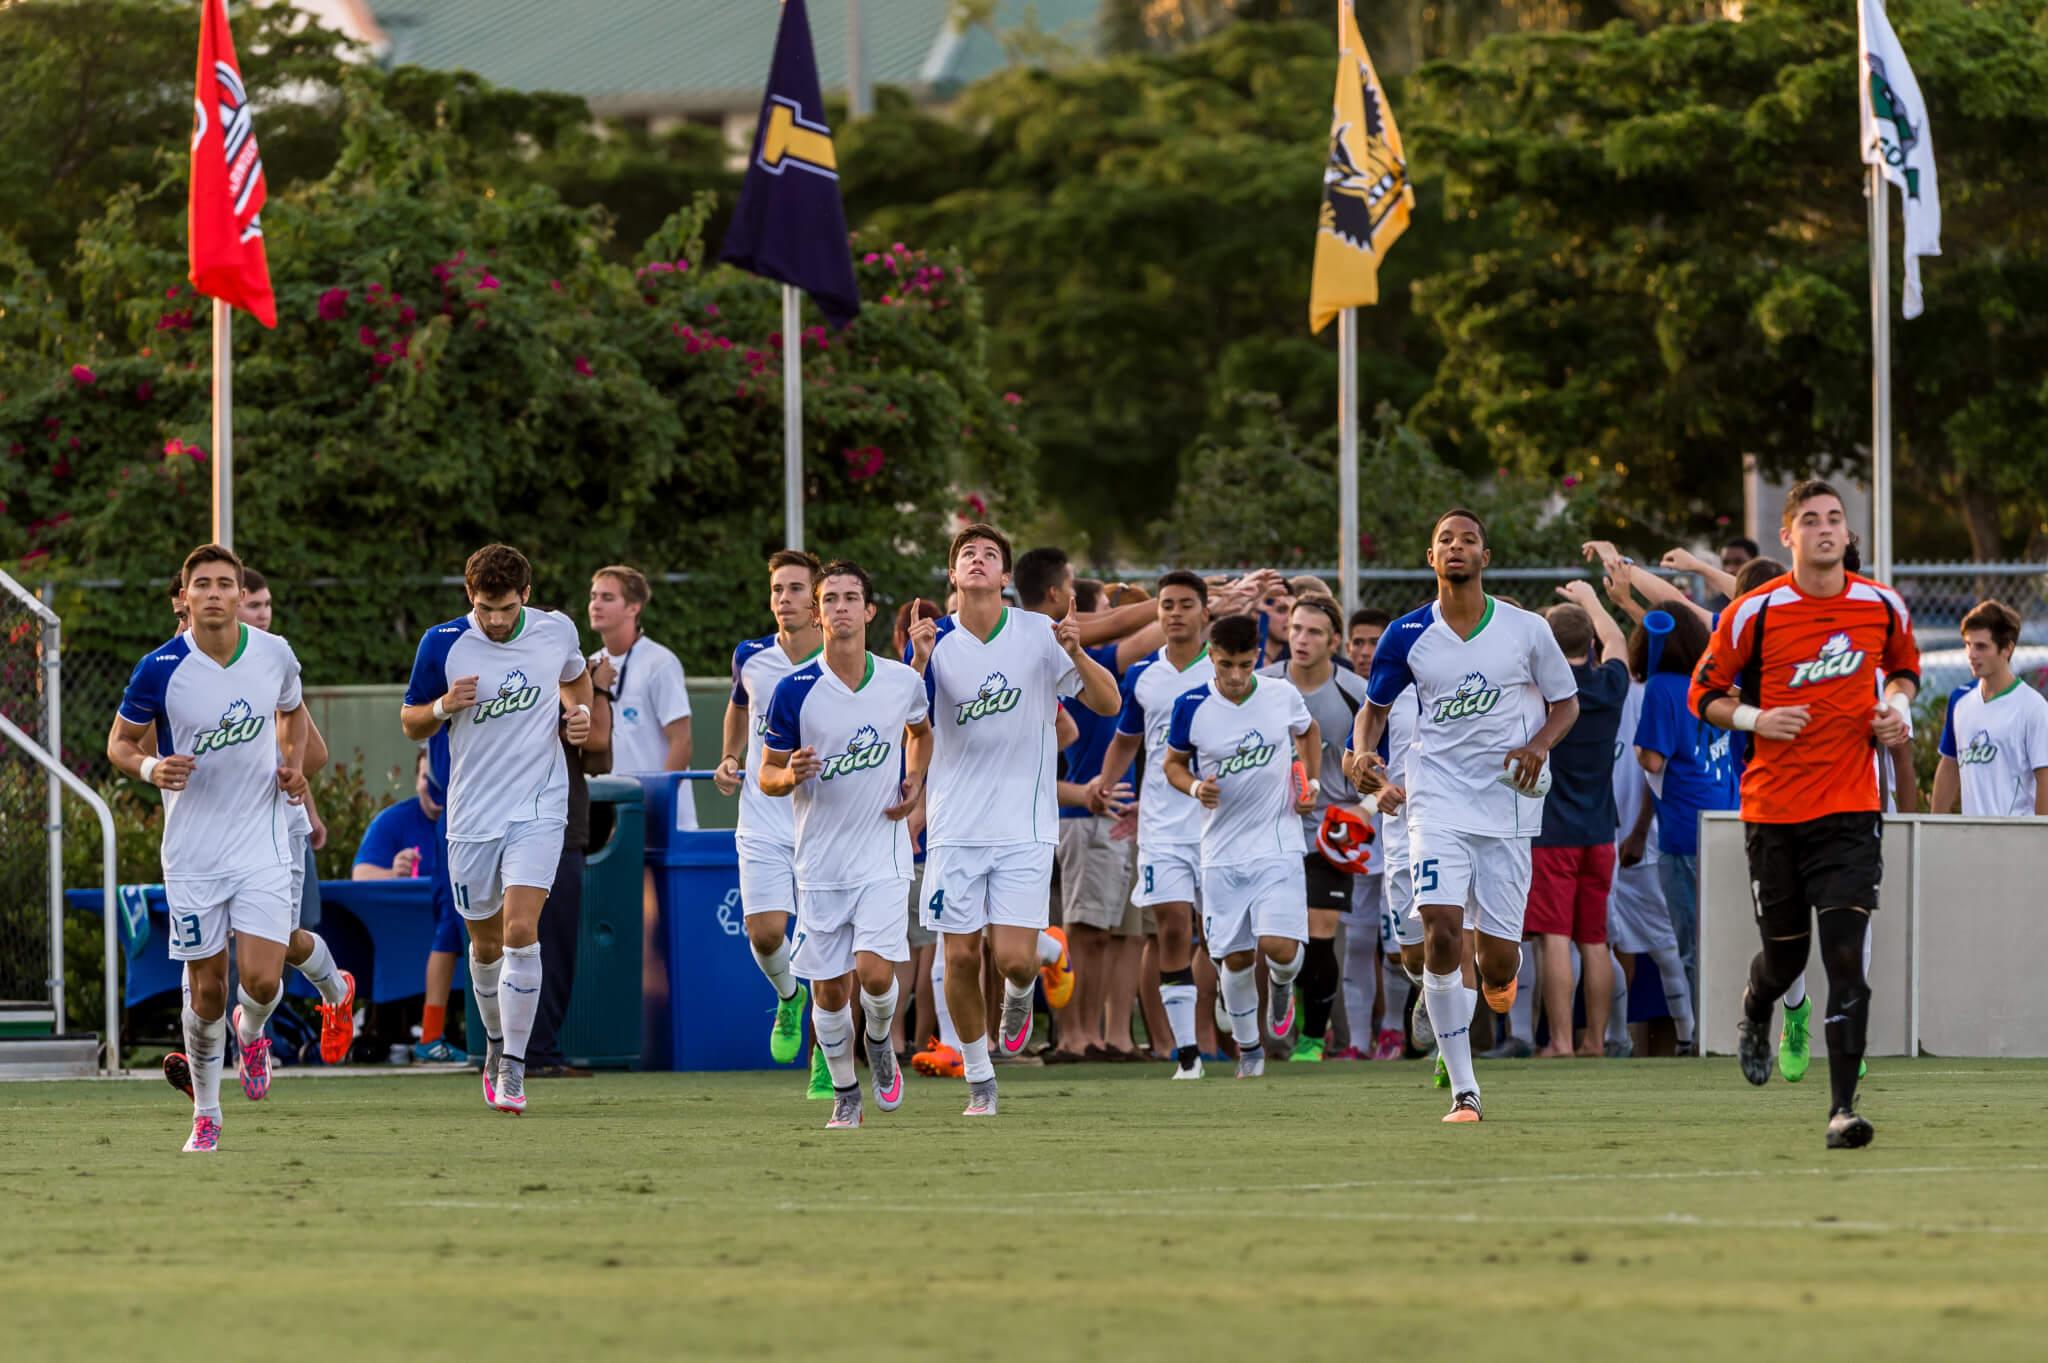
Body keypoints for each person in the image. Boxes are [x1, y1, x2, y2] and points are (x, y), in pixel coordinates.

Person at [1690, 479, 1919, 1149]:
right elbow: (1705, 694)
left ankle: (1842, 1109)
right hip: (1774, 810)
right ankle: (1756, 1008)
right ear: (1787, 536)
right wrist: (1760, 716)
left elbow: (1904, 671)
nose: (1825, 529)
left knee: (1846, 958)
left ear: (1848, 535)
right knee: (1784, 959)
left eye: (1835, 519)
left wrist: (1896, 712)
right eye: (1810, 520)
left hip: (1850, 809)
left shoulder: (1882, 604)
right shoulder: (1753, 612)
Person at [1347, 509, 1579, 1124]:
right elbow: (1373, 709)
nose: (1456, 547)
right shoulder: (1405, 634)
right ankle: (1465, 1091)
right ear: (1431, 558)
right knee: (1441, 930)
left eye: (1468, 539)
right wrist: (1363, 751)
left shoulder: (1526, 630)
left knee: (1496, 961)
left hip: (1506, 806)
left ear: (1485, 557)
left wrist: (1538, 746)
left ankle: (1498, 979)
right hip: (1436, 802)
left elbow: (1566, 703)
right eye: (1445, 540)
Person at [905, 523, 1119, 1117]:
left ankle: (1023, 992)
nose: (977, 560)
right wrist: (917, 661)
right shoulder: (933, 641)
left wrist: (1076, 650)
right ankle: (980, 1078)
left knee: (1015, 959)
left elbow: (1108, 703)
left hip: (1026, 827)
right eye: (966, 554)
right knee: (961, 958)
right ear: (952, 575)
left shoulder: (1040, 634)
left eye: (989, 554)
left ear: (1005, 577)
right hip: (954, 830)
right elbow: (911, 725)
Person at [108, 544, 312, 1152]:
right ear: (184, 597)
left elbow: (293, 715)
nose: (217, 593)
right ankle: (207, 1113)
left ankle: (252, 1034)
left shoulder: (273, 654)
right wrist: (151, 768)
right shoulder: (159, 667)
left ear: (237, 593)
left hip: (262, 841)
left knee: (263, 979)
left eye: (227, 583)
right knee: (206, 990)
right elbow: (120, 743)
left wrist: (294, 767)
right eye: (204, 584)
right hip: (194, 853)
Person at [401, 543, 593, 1115]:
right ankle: (494, 1045)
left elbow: (577, 682)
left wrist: (578, 716)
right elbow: (410, 722)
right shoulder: (441, 643)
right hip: (471, 818)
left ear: (525, 597)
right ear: (470, 598)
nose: (497, 620)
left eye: (507, 608)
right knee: (483, 947)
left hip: (539, 806)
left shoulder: (556, 630)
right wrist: (440, 707)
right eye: (486, 608)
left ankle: (515, 1067)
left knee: (519, 930)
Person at [760, 559, 933, 1128]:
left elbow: (920, 734)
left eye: (850, 597)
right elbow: (767, 775)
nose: (840, 607)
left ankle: (880, 1042)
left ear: (869, 609)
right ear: (818, 612)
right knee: (830, 993)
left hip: (882, 853)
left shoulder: (901, 681)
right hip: (819, 862)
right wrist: (793, 775)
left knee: (877, 976)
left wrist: (913, 783)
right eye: (829, 598)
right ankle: (844, 1092)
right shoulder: (795, 691)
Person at [1017, 546, 1157, 1058]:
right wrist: (1195, 600)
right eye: (1077, 592)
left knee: (1115, 935)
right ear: (1057, 597)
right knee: (1081, 933)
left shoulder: (1080, 660)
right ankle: (1073, 1035)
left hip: (1109, 813)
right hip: (1083, 816)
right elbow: (1137, 626)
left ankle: (1102, 1034)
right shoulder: (1083, 654)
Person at [1165, 612, 1320, 1078]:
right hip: (1220, 853)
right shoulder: (1190, 704)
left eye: (1245, 665)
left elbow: (1308, 731)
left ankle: (1281, 983)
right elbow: (1173, 764)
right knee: (1232, 957)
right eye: (1226, 665)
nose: (1235, 676)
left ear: (1259, 659)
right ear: (1211, 657)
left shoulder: (1281, 695)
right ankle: (1249, 1048)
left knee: (1279, 947)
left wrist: (1308, 781)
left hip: (1277, 842)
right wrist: (1195, 788)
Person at [1095, 571, 1218, 1078]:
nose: (1174, 613)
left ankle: (1240, 1028)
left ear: (1205, 612)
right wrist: (1106, 786)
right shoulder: (1143, 674)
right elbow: (1126, 739)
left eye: (1186, 604)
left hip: (1221, 826)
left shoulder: (1227, 672)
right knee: (1171, 929)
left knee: (1225, 940)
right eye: (1167, 604)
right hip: (1165, 827)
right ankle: (1186, 1053)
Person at [711, 550, 827, 1085]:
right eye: (778, 589)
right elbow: (738, 706)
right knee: (764, 935)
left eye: (796, 589)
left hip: (827, 823)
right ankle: (788, 997)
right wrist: (731, 756)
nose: (785, 599)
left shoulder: (842, 660)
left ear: (818, 599)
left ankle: (830, 1056)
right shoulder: (750, 656)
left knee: (829, 949)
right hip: (761, 819)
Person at [238, 567, 355, 1065]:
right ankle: (225, 1056)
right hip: (211, 833)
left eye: (266, 605)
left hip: (273, 828)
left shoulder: (274, 663)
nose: (262, 614)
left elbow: (310, 755)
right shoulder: (184, 665)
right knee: (211, 952)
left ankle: (332, 992)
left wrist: (302, 799)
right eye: (253, 604)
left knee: (278, 943)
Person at [1257, 596, 1368, 1061]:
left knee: (1320, 933)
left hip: (1331, 831)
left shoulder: (1357, 693)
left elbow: (1382, 762)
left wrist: (1367, 806)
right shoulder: (1262, 685)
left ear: (1334, 641)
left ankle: (1312, 1039)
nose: (1301, 640)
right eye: (1296, 629)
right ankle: (1269, 1019)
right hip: (1269, 830)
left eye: (1314, 633)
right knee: (1268, 938)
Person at [1525, 589, 1630, 1058]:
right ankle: (1596, 1040)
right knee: (1595, 940)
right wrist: (1592, 599)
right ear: (1589, 642)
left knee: (1554, 939)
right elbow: (1618, 643)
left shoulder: (1541, 692)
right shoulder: (1610, 685)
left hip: (1553, 833)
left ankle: (1562, 1041)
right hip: (1600, 831)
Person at [1633, 607, 1736, 1013]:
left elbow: (1654, 761)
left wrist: (1639, 748)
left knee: (1695, 944)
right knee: (1728, 937)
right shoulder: (1714, 683)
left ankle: (1710, 1036)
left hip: (1684, 829)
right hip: (1730, 818)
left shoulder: (1661, 687)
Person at [526, 642, 613, 1079]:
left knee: (546, 944)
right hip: (547, 827)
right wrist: (594, 691)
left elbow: (597, 753)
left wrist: (594, 693)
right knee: (540, 945)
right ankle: (534, 1052)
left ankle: (527, 1051)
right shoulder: (541, 690)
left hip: (559, 827)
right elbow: (594, 737)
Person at [1607, 631, 1695, 1057]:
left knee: (1663, 944)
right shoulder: (1578, 691)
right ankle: (1616, 1037)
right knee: (1609, 943)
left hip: (1638, 842)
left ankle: (1688, 1035)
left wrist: (1640, 830)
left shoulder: (1648, 694)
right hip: (1602, 839)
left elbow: (1652, 770)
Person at [353, 749, 464, 1060]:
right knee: (446, 936)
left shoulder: (466, 814)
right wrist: (391, 872)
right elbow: (360, 874)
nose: (435, 788)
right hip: (413, 935)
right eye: (428, 778)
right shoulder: (394, 820)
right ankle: (430, 1035)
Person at [588, 565, 694, 820]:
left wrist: (656, 801)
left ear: (633, 608)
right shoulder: (587, 665)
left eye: (607, 598)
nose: (595, 605)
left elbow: (681, 741)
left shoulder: (660, 662)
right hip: (607, 813)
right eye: (593, 597)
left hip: (656, 814)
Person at [1933, 600, 2048, 817]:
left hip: (2016, 840)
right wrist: (1933, 832)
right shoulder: (1960, 700)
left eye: (1981, 646)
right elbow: (1949, 766)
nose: (1971, 654)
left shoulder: (2033, 707)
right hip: (1972, 838)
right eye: (1968, 644)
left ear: (2007, 649)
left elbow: (2045, 778)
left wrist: (2041, 841)